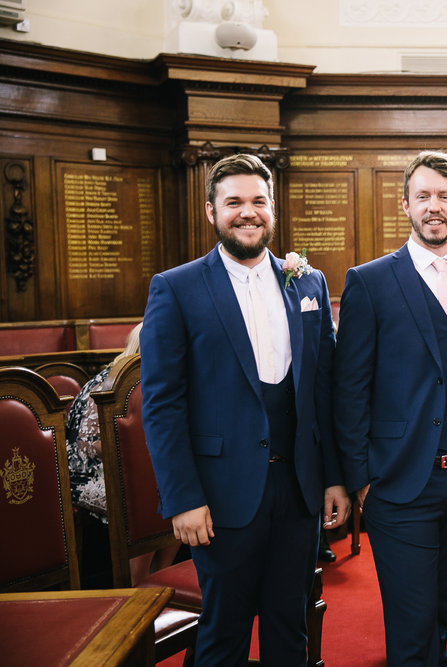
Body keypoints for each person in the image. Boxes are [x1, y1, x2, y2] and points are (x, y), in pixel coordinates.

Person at [140, 153, 349, 666]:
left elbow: (324, 391)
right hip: (220, 494)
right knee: (224, 632)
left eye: (258, 201)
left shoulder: (309, 283)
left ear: (273, 209)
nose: (247, 212)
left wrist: (333, 479)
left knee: (289, 626)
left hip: (298, 490)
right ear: (212, 212)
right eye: (234, 202)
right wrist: (182, 498)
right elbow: (162, 405)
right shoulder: (177, 288)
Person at [333, 150, 447, 666]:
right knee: (410, 631)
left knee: (438, 616)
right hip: (400, 483)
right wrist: (362, 480)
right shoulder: (371, 282)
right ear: (405, 204)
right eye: (424, 196)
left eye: (445, 197)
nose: (435, 206)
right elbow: (349, 388)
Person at [65, 322, 180, 584]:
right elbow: (87, 444)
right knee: (146, 496)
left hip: (140, 471)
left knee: (177, 488)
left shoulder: (158, 381)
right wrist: (141, 454)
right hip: (91, 474)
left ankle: (163, 575)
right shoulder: (111, 382)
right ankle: (138, 583)